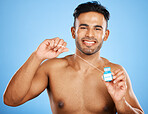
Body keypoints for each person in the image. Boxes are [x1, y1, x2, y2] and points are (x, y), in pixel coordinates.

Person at [3, 1, 144, 114]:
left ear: (105, 35)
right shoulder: (51, 69)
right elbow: (11, 100)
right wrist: (37, 56)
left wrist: (120, 102)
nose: (90, 34)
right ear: (73, 32)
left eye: (97, 28)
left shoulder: (115, 72)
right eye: (83, 27)